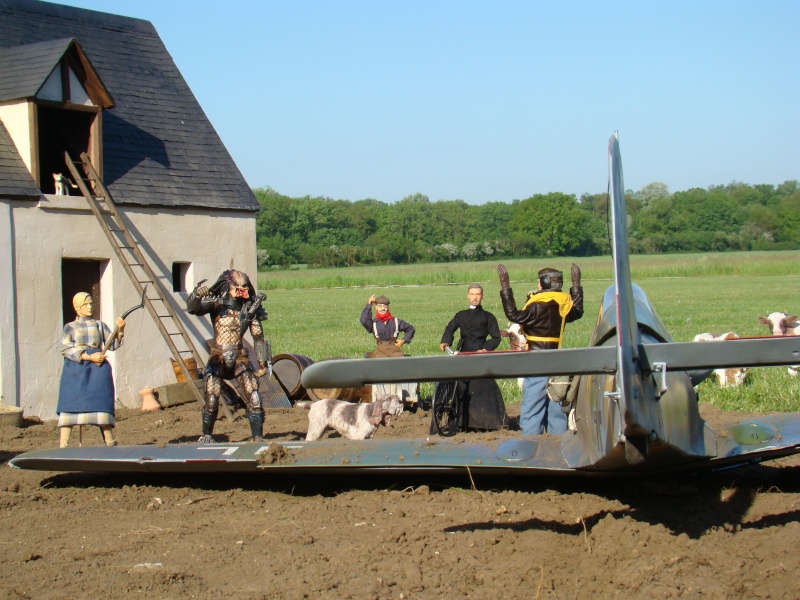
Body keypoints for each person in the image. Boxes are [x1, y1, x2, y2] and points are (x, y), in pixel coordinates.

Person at [498, 264, 584, 435]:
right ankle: (557, 440)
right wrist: (576, 286)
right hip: (557, 358)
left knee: (532, 405)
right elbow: (578, 311)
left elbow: (513, 315)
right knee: (556, 401)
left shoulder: (536, 304)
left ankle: (531, 441)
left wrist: (505, 287)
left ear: (542, 282)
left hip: (536, 359)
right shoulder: (562, 304)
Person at [187, 269, 271, 443]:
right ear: (229, 286)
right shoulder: (217, 304)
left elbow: (258, 337)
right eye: (237, 286)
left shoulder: (250, 308)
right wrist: (196, 294)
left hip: (240, 357)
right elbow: (193, 308)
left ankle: (257, 437)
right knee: (212, 399)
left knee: (254, 397)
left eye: (244, 286)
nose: (242, 289)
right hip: (219, 356)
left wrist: (263, 362)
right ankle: (207, 435)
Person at [57, 292, 125, 447]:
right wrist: (88, 357)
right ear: (77, 307)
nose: (89, 307)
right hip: (76, 370)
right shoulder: (70, 327)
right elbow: (66, 349)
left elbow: (112, 344)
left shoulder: (99, 325)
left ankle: (110, 442)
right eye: (85, 304)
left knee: (100, 404)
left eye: (90, 303)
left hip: (97, 370)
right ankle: (63, 445)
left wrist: (120, 331)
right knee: (70, 403)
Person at [438, 284, 506, 430]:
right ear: (468, 296)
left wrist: (485, 349)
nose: (475, 297)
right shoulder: (460, 315)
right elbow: (450, 328)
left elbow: (496, 337)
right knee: (459, 385)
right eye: (472, 294)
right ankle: (459, 421)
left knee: (483, 385)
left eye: (478, 294)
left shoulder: (488, 317)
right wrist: (445, 341)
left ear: (482, 296)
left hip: (479, 354)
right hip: (462, 353)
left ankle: (487, 422)